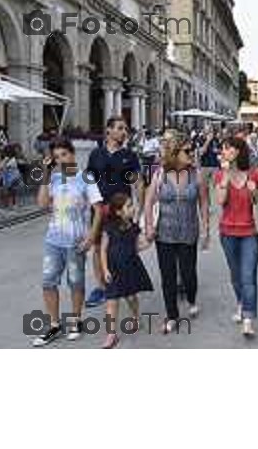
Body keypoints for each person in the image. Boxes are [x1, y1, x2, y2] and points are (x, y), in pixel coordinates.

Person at [32, 139, 103, 347]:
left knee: (76, 282)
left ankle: (76, 321)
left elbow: (98, 209)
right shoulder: (53, 179)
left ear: (72, 155)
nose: (61, 160)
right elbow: (43, 204)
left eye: (64, 154)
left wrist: (91, 235)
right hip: (53, 240)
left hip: (75, 241)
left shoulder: (85, 178)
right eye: (56, 157)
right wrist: (45, 174)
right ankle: (53, 325)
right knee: (48, 282)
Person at [145, 130, 210, 333]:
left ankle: (191, 297)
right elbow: (148, 202)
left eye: (191, 150)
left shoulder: (196, 174)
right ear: (175, 152)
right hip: (164, 233)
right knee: (168, 276)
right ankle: (172, 315)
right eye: (187, 151)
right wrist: (148, 226)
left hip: (189, 231)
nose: (191, 154)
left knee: (189, 274)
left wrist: (206, 228)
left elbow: (204, 202)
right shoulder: (160, 174)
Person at [215, 136, 258, 337]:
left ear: (238, 152)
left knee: (248, 275)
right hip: (228, 232)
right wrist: (224, 175)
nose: (223, 152)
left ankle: (248, 318)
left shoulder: (256, 173)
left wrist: (255, 190)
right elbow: (221, 201)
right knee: (235, 274)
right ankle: (241, 301)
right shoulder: (220, 175)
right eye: (223, 149)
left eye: (227, 148)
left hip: (251, 232)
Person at [84, 116, 143, 308]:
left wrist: (139, 209)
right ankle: (102, 287)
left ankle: (125, 285)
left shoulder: (129, 155)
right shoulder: (96, 154)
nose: (123, 132)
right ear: (108, 131)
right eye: (119, 128)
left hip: (121, 211)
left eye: (125, 129)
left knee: (123, 249)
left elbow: (138, 183)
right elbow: (89, 180)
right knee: (98, 246)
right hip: (100, 209)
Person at [101, 193, 153, 349]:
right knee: (112, 302)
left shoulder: (134, 227)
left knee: (131, 297)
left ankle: (136, 317)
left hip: (130, 267)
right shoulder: (108, 228)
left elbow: (137, 247)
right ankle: (111, 334)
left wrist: (150, 240)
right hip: (113, 269)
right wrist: (104, 270)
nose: (133, 208)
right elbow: (103, 250)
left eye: (132, 205)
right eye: (129, 206)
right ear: (118, 211)